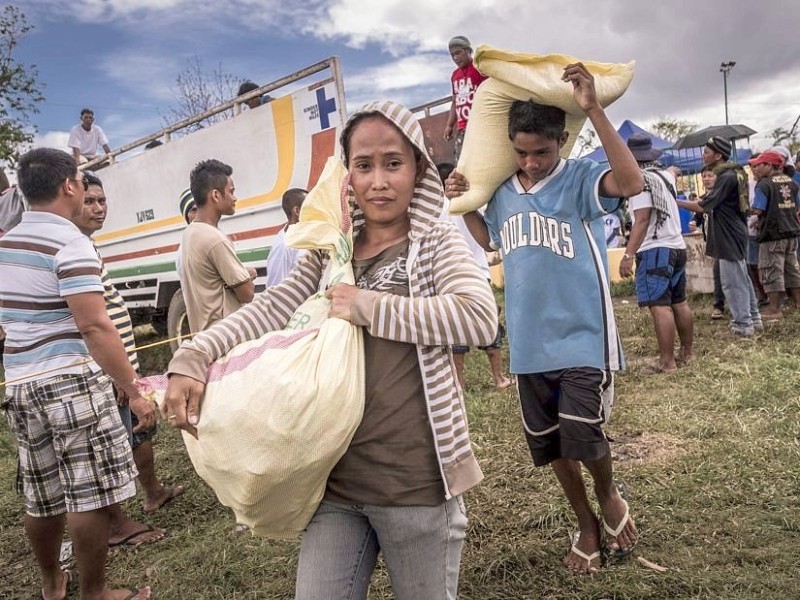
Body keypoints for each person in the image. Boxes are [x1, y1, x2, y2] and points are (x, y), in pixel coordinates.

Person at [163, 100, 498, 599]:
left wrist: (367, 305)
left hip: (415, 485)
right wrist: (195, 355)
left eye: (393, 163)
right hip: (335, 481)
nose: (378, 181)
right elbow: (272, 307)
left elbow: (477, 315)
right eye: (363, 166)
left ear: (417, 169)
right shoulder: (330, 252)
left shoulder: (433, 244)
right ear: (347, 175)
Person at [446, 63, 643, 574]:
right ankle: (585, 522)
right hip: (530, 345)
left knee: (585, 436)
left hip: (584, 337)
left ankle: (609, 495)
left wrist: (594, 107)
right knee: (554, 447)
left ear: (562, 143)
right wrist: (463, 198)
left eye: (542, 152)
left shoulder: (579, 179)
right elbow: (489, 240)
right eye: (522, 152)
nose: (531, 163)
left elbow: (630, 181)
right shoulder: (506, 191)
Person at [0, 148, 152, 599]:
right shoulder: (70, 243)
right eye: (83, 181)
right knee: (91, 494)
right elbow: (94, 325)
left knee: (42, 494)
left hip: (22, 385)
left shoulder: (5, 244)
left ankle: (51, 583)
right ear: (68, 186)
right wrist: (134, 390)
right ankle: (95, 594)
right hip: (71, 381)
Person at [75, 172, 184, 526]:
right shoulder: (75, 250)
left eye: (101, 200)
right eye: (89, 201)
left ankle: (153, 493)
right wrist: (119, 378)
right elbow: (90, 324)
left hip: (120, 368)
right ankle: (118, 520)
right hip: (108, 373)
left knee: (139, 431)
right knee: (117, 441)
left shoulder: (88, 248)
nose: (97, 208)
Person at [618, 134, 693, 373]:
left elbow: (641, 220)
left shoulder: (639, 181)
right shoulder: (664, 176)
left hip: (655, 248)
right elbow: (674, 170)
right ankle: (687, 353)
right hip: (677, 246)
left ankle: (667, 362)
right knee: (679, 301)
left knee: (660, 306)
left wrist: (628, 255)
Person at [675, 136, 762, 336]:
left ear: (718, 155)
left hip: (728, 234)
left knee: (732, 282)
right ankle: (753, 319)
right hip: (734, 231)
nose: (703, 155)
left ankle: (742, 325)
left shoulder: (726, 177)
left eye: (706, 152)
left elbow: (702, 207)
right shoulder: (734, 172)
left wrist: (675, 201)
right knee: (742, 277)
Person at [437, 162, 512, 390]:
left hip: (451, 275)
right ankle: (499, 378)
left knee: (456, 329)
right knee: (489, 325)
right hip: (479, 273)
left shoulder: (436, 209)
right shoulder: (469, 203)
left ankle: (459, 382)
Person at [177, 159, 256, 333]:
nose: (234, 198)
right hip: (226, 335)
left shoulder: (190, 234)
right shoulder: (214, 239)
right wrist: (248, 274)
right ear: (215, 195)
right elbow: (247, 293)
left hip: (207, 336)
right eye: (231, 191)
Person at [749, 150, 800, 319]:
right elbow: (796, 206)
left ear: (769, 165)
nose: (756, 168)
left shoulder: (764, 184)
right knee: (792, 269)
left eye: (759, 165)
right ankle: (798, 303)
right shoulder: (791, 182)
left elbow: (758, 209)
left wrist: (745, 212)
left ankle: (774, 309)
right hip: (791, 232)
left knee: (771, 270)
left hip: (772, 234)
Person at [443, 35, 487, 161]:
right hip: (462, 128)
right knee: (462, 164)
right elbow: (455, 101)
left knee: (483, 160)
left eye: (458, 53)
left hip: (481, 125)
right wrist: (450, 125)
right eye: (452, 55)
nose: (455, 58)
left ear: (468, 50)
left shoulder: (480, 67)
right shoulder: (455, 75)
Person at [265, 188, 307, 287]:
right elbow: (275, 289)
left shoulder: (304, 237)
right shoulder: (283, 246)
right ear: (297, 211)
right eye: (310, 207)